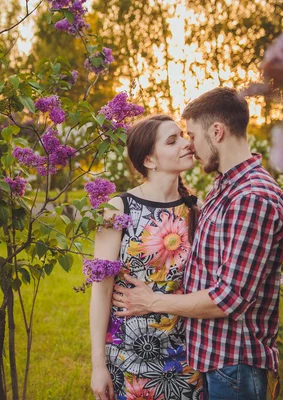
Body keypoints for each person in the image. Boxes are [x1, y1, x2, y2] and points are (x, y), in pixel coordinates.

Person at [112, 87, 283, 400]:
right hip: (211, 360)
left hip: (235, 364)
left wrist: (152, 301)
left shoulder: (251, 197)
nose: (190, 146)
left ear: (217, 132)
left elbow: (228, 298)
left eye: (191, 135)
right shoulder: (224, 188)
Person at [90, 115, 203, 400]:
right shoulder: (118, 209)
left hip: (186, 356)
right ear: (149, 161)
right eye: (172, 140)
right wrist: (97, 365)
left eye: (182, 135)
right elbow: (101, 291)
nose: (186, 143)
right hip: (127, 355)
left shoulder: (197, 209)